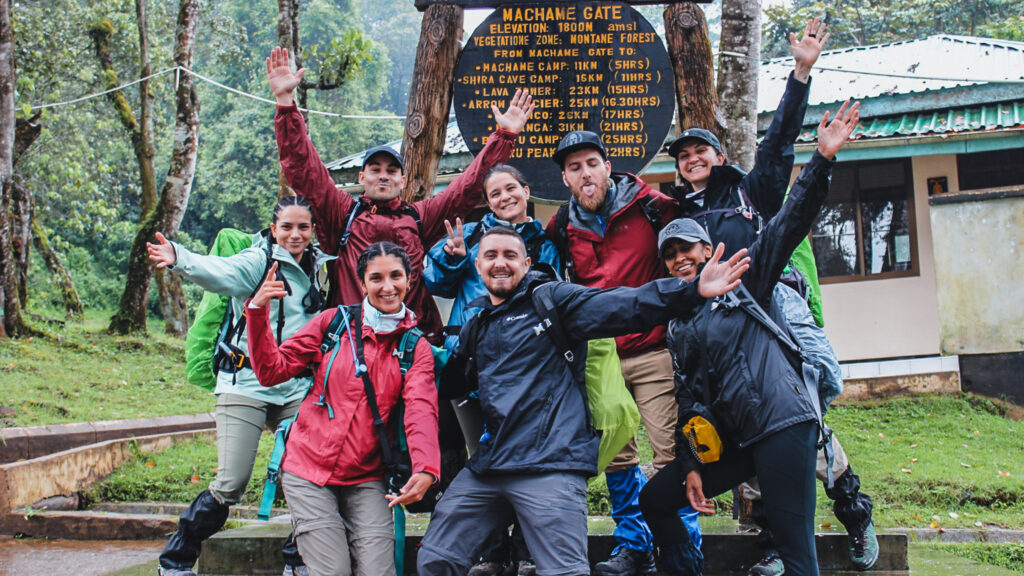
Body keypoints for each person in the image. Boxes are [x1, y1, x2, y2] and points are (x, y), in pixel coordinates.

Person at [417, 226, 751, 576]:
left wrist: (691, 291)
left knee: (564, 572)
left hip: (550, 463)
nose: (500, 264)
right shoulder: (478, 325)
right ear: (477, 263)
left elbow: (626, 304)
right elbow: (448, 383)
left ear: (527, 263)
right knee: (436, 559)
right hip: (491, 466)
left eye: (510, 255)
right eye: (491, 256)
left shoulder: (554, 301)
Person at [638, 100, 860, 576]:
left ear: (708, 248)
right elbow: (688, 399)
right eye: (670, 253)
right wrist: (690, 462)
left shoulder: (747, 282)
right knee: (656, 498)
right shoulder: (678, 321)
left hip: (781, 425)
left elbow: (788, 222)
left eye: (687, 249)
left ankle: (852, 511)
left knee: (797, 553)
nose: (679, 258)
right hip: (737, 442)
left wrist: (821, 160)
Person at [266, 46, 533, 345]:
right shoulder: (341, 212)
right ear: (361, 177)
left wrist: (504, 136)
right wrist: (286, 104)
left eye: (392, 171)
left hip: (414, 342)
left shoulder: (419, 216)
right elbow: (305, 170)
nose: (383, 175)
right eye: (375, 169)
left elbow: (467, 188)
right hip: (355, 343)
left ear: (402, 180)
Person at [147, 196, 332, 576]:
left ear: (313, 230)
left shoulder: (322, 266)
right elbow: (219, 272)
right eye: (286, 227)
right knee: (230, 484)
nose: (295, 235)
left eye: (303, 227)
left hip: (297, 386)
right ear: (273, 228)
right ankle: (176, 560)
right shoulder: (257, 261)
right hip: (245, 382)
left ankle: (298, 561)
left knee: (306, 479)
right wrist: (179, 257)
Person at [546, 130, 692, 576]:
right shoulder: (560, 227)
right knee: (617, 454)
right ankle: (634, 544)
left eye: (592, 163)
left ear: (608, 167)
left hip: (654, 349)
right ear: (566, 179)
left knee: (670, 452)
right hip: (601, 357)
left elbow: (693, 242)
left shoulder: (651, 205)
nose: (585, 173)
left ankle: (682, 548)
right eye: (574, 167)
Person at [247, 242, 441, 576]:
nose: (387, 286)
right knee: (332, 571)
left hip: (366, 475)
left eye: (396, 276)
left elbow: (421, 410)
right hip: (307, 468)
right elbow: (271, 371)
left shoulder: (415, 347)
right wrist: (257, 311)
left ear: (409, 281)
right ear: (362, 284)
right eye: (376, 278)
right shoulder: (333, 324)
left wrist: (426, 468)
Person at [423, 164, 561, 576]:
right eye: (495, 192)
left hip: (525, 363)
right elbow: (434, 281)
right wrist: (454, 260)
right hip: (472, 360)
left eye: (511, 189)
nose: (504, 197)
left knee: (527, 455)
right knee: (480, 456)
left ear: (526, 190)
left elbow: (550, 286)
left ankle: (528, 549)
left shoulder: (543, 241)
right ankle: (494, 552)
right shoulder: (467, 236)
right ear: (487, 200)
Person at [743, 281, 877, 575]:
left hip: (783, 368)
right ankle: (773, 545)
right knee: (751, 460)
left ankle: (857, 517)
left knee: (814, 443)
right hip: (742, 381)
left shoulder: (771, 265)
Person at [667, 18, 828, 258]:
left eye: (701, 151)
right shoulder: (676, 213)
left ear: (720, 157)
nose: (693, 159)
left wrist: (801, 73)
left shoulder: (750, 192)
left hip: (753, 294)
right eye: (684, 156)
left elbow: (777, 145)